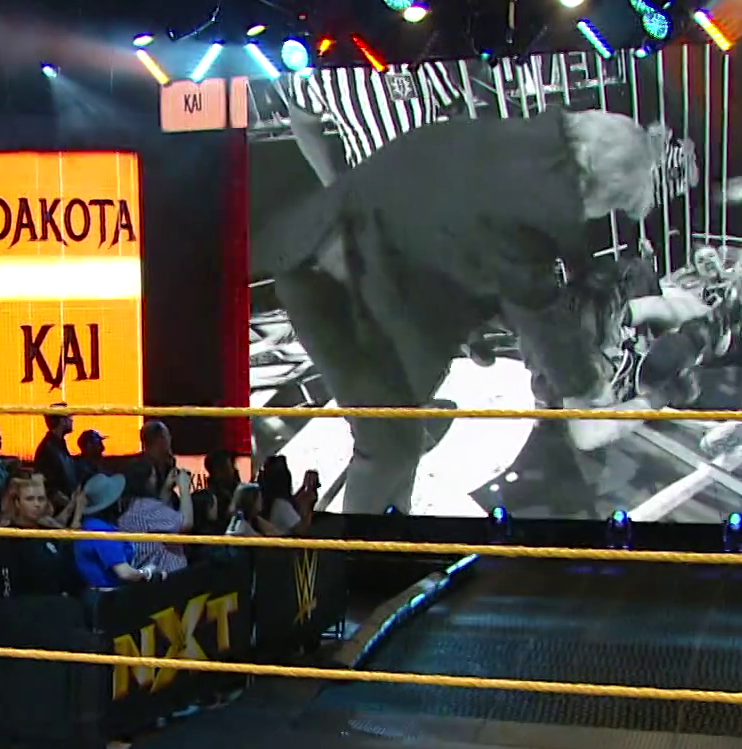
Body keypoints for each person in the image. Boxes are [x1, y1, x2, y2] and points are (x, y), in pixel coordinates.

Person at [255, 105, 661, 514]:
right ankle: (361, 547)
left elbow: (455, 239)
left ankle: (391, 526)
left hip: (362, 271)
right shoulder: (528, 201)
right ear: (589, 187)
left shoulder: (512, 147)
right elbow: (534, 304)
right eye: (607, 207)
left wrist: (471, 322)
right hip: (333, 281)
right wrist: (586, 389)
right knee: (389, 445)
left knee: (401, 424)